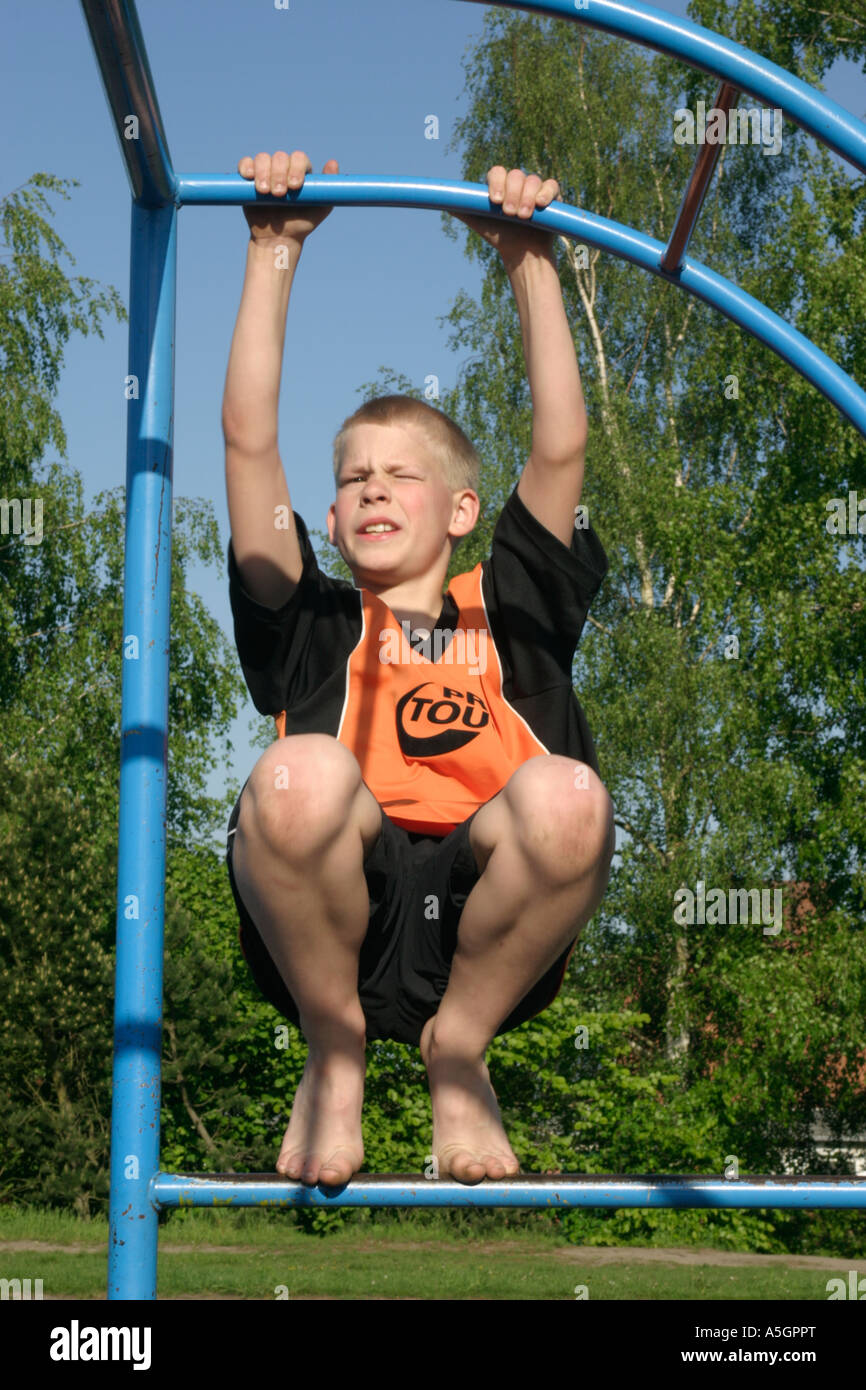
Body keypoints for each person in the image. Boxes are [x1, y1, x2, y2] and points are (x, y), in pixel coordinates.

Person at [223, 149, 615, 1188]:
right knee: (293, 775)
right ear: (334, 516)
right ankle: (332, 1046)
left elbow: (561, 451)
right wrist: (271, 254)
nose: (372, 488)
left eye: (401, 473)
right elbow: (248, 444)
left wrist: (531, 261)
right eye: (352, 477)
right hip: (334, 914)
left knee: (571, 797)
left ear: (458, 511)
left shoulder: (510, 606)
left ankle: (458, 1049)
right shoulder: (314, 618)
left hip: (484, 917)